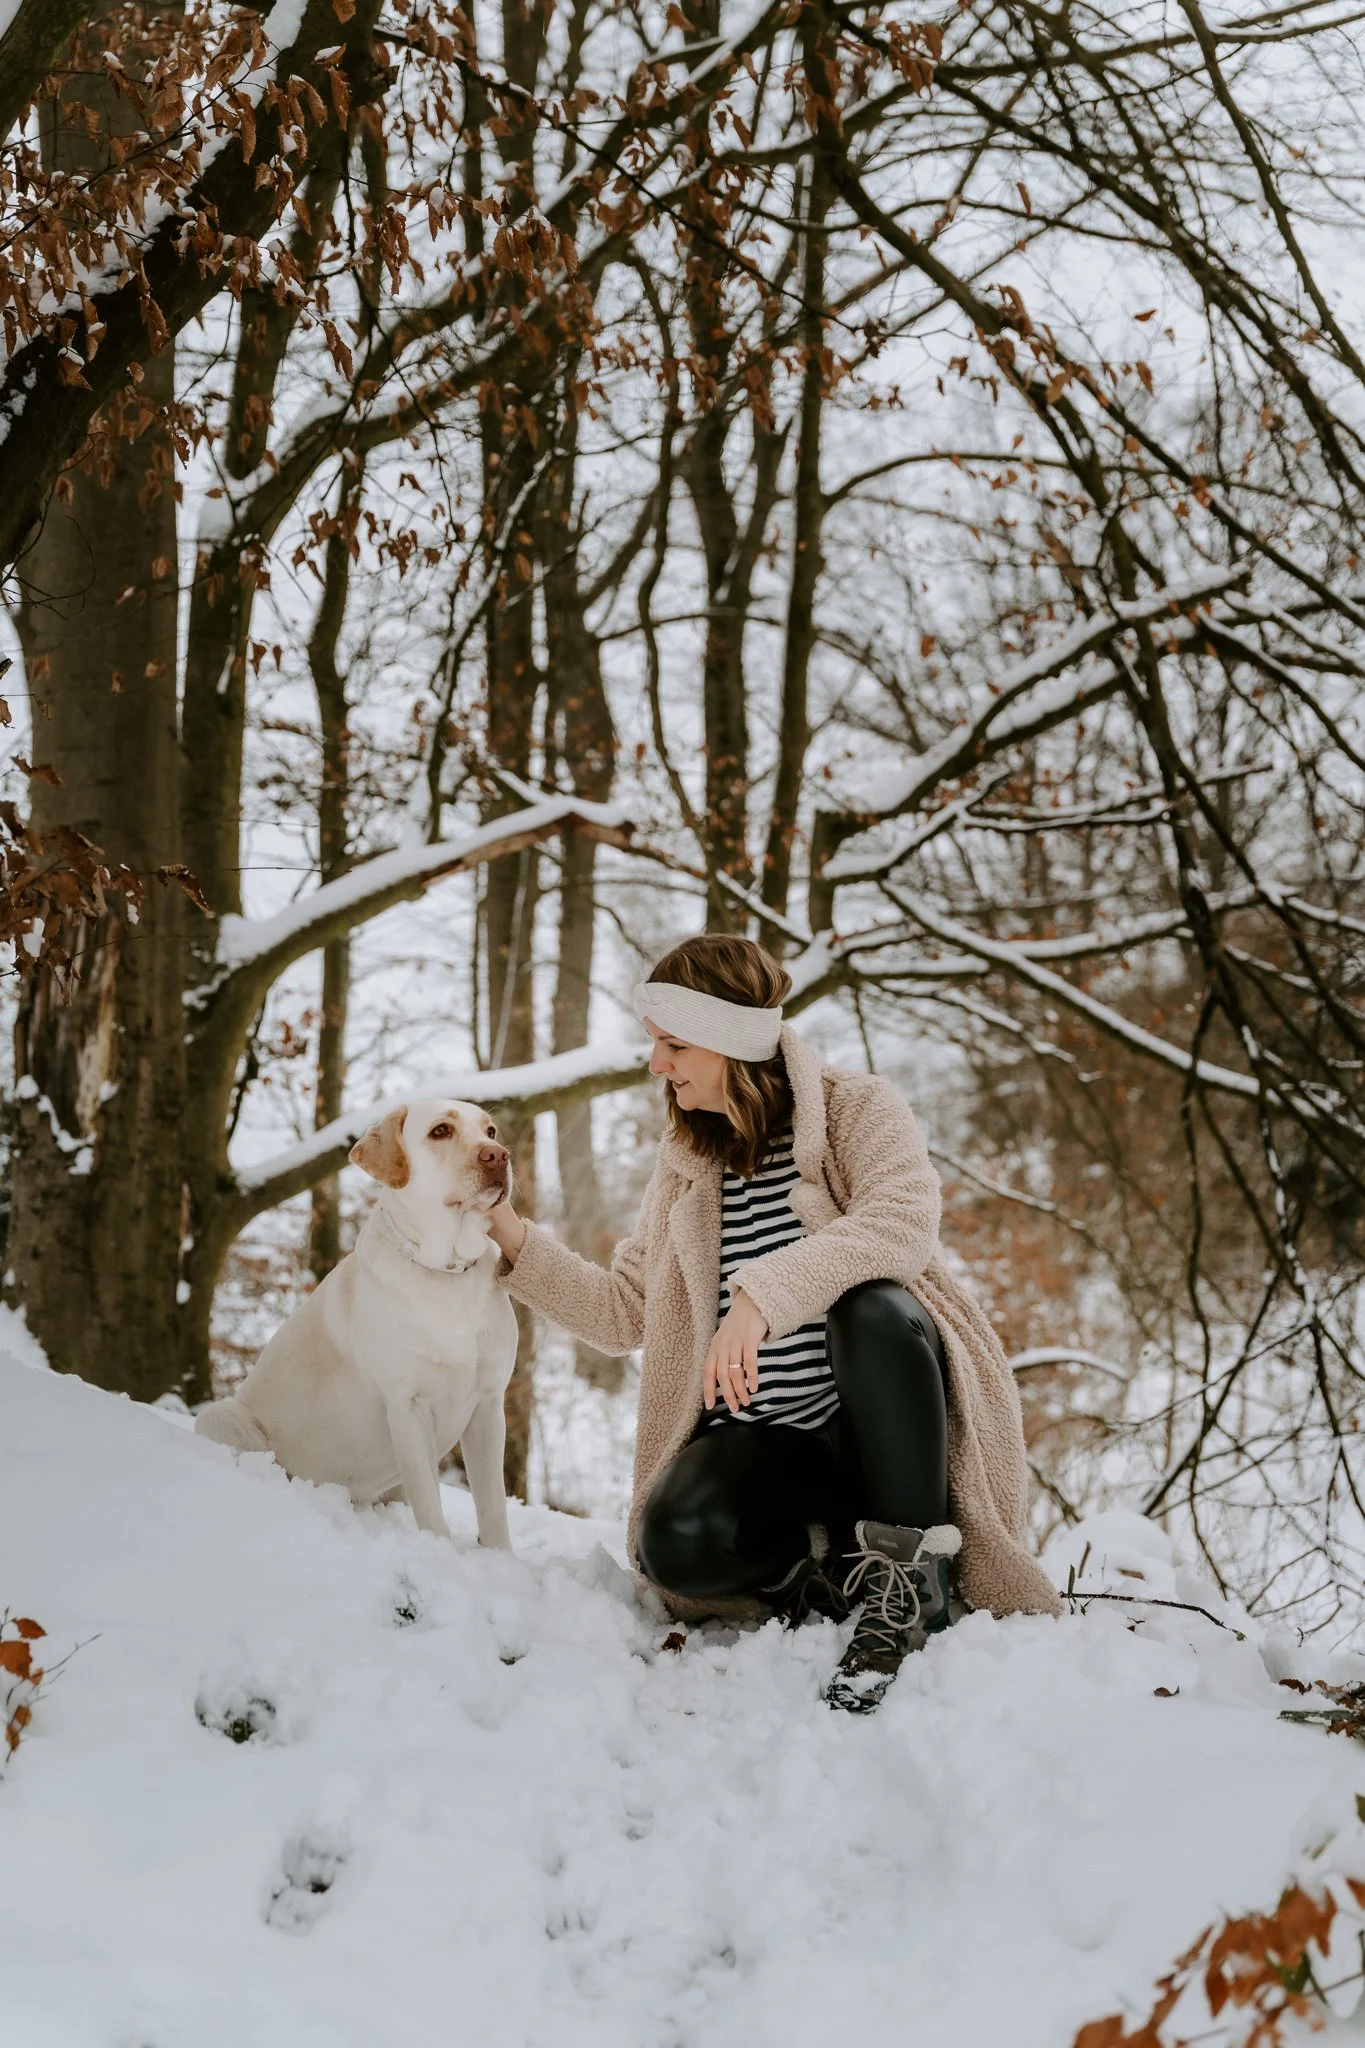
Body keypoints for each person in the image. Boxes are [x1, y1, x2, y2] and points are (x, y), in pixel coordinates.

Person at [488, 935, 1059, 1712]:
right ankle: (824, 1569)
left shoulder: (856, 1108)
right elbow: (625, 1312)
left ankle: (906, 1582)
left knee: (874, 1309)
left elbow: (901, 1224)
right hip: (775, 1455)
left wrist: (759, 1297)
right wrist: (511, 1237)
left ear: (730, 1045)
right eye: (656, 1044)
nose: (657, 1064)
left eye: (674, 1044)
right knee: (674, 1543)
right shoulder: (687, 1165)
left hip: (882, 1440)